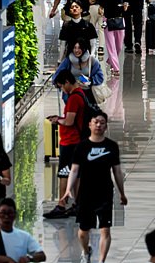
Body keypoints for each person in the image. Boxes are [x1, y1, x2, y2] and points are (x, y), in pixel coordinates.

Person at [63, 112, 127, 263]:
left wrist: (122, 193)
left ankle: (101, 260)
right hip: (86, 193)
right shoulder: (82, 147)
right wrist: (68, 190)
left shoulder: (111, 146)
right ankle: (86, 251)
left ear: (106, 126)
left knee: (105, 229)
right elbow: (74, 170)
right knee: (83, 231)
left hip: (105, 192)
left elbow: (117, 171)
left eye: (102, 123)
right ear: (89, 125)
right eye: (96, 122)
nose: (98, 125)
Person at [44, 70, 95, 220]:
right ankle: (78, 205)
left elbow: (69, 121)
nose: (62, 89)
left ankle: (61, 205)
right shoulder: (81, 93)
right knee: (76, 174)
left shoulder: (74, 98)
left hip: (70, 142)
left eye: (61, 86)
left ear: (67, 82)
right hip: (77, 141)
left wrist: (57, 120)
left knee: (63, 174)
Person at [0, 197, 46, 263]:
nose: (6, 216)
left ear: (15, 214)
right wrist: (7, 259)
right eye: (3, 213)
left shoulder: (24, 236)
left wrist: (29, 258)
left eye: (10, 213)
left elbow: (42, 255)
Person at [101, 0, 128, 75]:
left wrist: (125, 7)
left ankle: (110, 60)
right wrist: (100, 10)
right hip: (108, 20)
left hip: (119, 20)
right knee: (111, 45)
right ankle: (116, 68)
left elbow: (126, 6)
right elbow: (101, 6)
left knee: (119, 46)